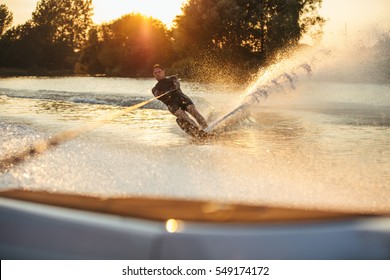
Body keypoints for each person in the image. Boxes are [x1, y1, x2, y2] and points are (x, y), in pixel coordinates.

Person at [152, 64, 208, 130]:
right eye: (155, 73)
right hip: (172, 104)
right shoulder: (155, 89)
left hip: (181, 98)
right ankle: (198, 130)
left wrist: (171, 89)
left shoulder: (173, 78)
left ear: (163, 71)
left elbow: (177, 84)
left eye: (159, 72)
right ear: (154, 75)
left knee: (192, 109)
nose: (158, 74)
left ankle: (205, 126)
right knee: (181, 114)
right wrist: (163, 94)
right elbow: (157, 95)